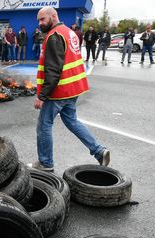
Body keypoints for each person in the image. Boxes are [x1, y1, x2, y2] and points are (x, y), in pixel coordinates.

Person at [32, 7, 110, 171]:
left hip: (58, 91)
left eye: (43, 19)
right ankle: (99, 151)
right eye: (38, 20)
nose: (40, 23)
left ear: (53, 16)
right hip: (73, 89)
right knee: (72, 121)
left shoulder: (54, 36)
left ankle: (46, 164)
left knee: (43, 126)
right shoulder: (69, 32)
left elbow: (53, 71)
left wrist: (42, 96)